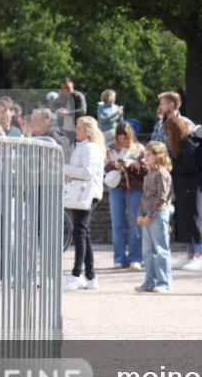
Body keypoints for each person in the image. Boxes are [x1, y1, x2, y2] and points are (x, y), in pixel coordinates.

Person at [62, 117, 106, 291]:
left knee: (80, 232)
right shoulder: (85, 147)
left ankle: (76, 274)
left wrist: (64, 169)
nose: (76, 130)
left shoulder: (90, 148)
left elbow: (88, 171)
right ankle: (89, 275)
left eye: (79, 128)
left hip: (87, 194)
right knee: (83, 232)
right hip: (83, 194)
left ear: (88, 130)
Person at [166, 115, 202, 271]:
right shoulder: (183, 142)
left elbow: (189, 166)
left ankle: (199, 256)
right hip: (185, 188)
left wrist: (171, 166)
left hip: (193, 187)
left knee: (197, 220)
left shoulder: (188, 142)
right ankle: (190, 254)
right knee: (187, 220)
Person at [105, 122, 147, 270]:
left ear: (131, 136)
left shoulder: (140, 149)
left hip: (135, 189)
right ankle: (119, 258)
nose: (122, 141)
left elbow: (145, 169)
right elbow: (104, 168)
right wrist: (115, 164)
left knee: (135, 223)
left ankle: (136, 258)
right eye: (120, 138)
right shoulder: (110, 149)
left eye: (125, 138)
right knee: (117, 224)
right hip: (116, 190)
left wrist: (135, 164)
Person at [136, 141, 174, 293]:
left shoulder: (162, 174)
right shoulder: (148, 175)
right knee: (147, 250)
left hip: (158, 215)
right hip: (147, 215)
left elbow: (161, 198)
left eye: (149, 154)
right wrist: (141, 213)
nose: (146, 157)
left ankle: (164, 282)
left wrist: (150, 215)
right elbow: (144, 196)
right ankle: (149, 281)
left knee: (160, 250)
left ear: (158, 156)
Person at [52, 77, 87, 144]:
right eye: (63, 88)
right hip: (64, 131)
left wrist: (68, 113)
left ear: (72, 85)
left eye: (67, 88)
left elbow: (82, 110)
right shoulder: (63, 96)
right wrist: (59, 97)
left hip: (76, 130)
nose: (65, 90)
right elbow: (53, 107)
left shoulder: (78, 96)